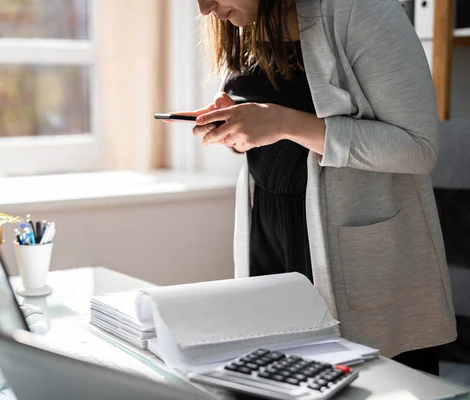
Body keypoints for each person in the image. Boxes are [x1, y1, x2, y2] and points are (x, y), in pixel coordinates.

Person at [175, 0, 457, 376]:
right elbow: (284, 147)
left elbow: (418, 149)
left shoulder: (361, 10)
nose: (206, 8)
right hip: (270, 258)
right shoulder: (246, 21)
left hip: (360, 271)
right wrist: (240, 126)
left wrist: (283, 123)